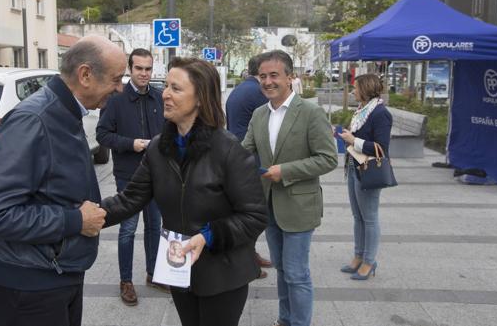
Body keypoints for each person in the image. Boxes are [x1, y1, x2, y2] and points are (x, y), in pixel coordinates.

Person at [0, 35, 126, 326]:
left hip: (54, 278)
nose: (119, 88)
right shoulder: (35, 119)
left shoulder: (65, 112)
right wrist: (73, 221)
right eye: (116, 79)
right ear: (86, 75)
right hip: (29, 290)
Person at [101, 57, 268, 326]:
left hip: (223, 274)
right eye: (166, 86)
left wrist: (208, 236)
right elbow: (131, 198)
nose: (165, 93)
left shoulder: (227, 149)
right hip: (178, 270)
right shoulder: (158, 148)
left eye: (176, 88)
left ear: (200, 98)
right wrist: (85, 216)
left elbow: (255, 216)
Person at [242, 50, 338, 326]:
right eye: (263, 76)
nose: (268, 81)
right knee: (282, 269)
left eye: (274, 75)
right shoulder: (259, 114)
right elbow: (244, 151)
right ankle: (285, 319)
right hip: (268, 205)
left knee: (296, 273)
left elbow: (328, 158)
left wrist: (286, 171)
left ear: (290, 77)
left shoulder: (311, 112)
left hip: (299, 206)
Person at [96, 48, 167, 306]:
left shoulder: (159, 98)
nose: (144, 74)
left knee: (154, 226)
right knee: (127, 229)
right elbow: (102, 135)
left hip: (157, 174)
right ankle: (126, 281)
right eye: (139, 68)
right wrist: (131, 143)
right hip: (129, 175)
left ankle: (154, 273)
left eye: (148, 69)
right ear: (130, 69)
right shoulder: (115, 100)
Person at [338, 73, 392, 280]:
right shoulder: (362, 111)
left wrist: (354, 140)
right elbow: (358, 138)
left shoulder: (380, 113)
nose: (352, 91)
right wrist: (346, 137)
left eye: (355, 87)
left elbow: (382, 148)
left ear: (365, 89)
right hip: (354, 166)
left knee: (369, 218)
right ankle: (358, 256)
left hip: (368, 170)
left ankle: (369, 261)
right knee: (357, 217)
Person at [225, 55, 272, 276]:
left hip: (238, 156)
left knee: (249, 212)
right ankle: (247, 261)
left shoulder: (239, 90)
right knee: (255, 214)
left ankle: (250, 255)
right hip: (252, 159)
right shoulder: (257, 92)